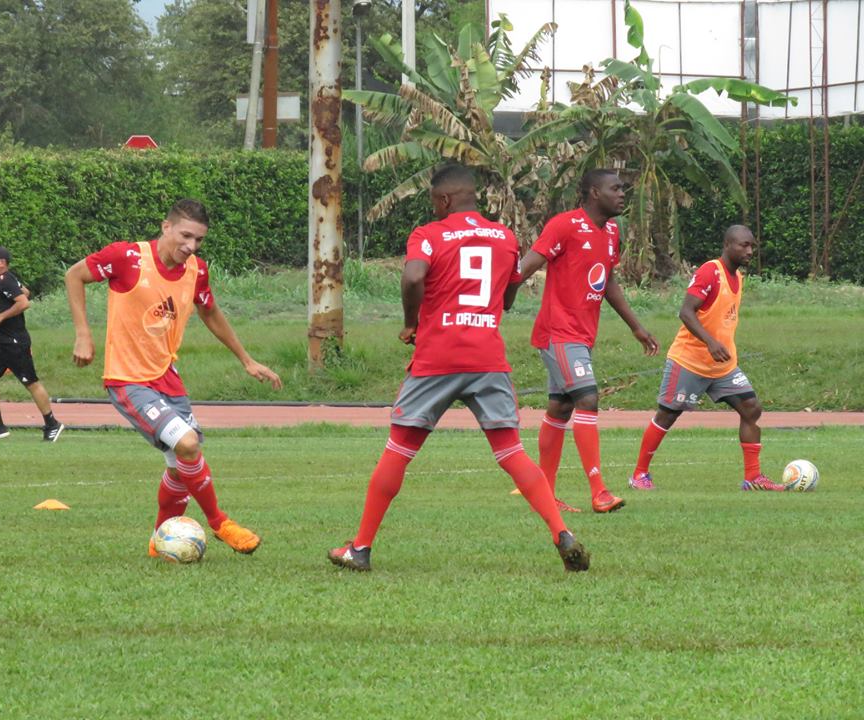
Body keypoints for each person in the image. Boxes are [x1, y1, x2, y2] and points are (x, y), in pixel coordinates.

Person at [328, 164, 590, 573]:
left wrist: (411, 322)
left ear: (444, 199)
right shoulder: (504, 237)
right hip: (487, 357)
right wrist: (499, 304)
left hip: (438, 357)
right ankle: (561, 532)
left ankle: (359, 548)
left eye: (435, 202)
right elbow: (512, 285)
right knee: (511, 451)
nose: (434, 209)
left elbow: (414, 276)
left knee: (399, 449)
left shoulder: (429, 235)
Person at [65, 199, 283, 558]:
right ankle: (219, 522)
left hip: (168, 377)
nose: (191, 246)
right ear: (166, 227)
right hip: (127, 379)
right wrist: (83, 334)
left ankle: (158, 543)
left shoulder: (196, 269)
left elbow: (209, 310)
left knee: (181, 468)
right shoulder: (128, 258)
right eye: (185, 236)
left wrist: (246, 359)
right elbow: (74, 275)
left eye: (198, 240)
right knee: (187, 444)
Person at [517, 169, 659, 513]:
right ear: (594, 193)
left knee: (561, 407)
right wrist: (494, 301)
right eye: (615, 188)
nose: (622, 194)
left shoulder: (611, 231)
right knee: (588, 398)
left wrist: (635, 327)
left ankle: (543, 494)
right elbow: (525, 267)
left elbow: (607, 280)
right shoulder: (564, 225)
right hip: (558, 332)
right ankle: (599, 491)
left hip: (581, 334)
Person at [628, 225, 785, 491]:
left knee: (751, 408)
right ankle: (639, 475)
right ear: (727, 245)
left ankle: (753, 477)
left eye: (752, 246)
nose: (749, 251)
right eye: (743, 245)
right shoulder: (710, 271)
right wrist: (710, 342)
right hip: (689, 360)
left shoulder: (739, 277)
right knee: (667, 415)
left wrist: (719, 346)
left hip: (723, 365)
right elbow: (686, 312)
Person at [0, 247, 64, 443]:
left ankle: (52, 424)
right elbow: (25, 291)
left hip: (14, 343)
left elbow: (24, 302)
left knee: (30, 382)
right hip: (0, 344)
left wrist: (0, 315)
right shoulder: (3, 280)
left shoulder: (6, 278)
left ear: (2, 262)